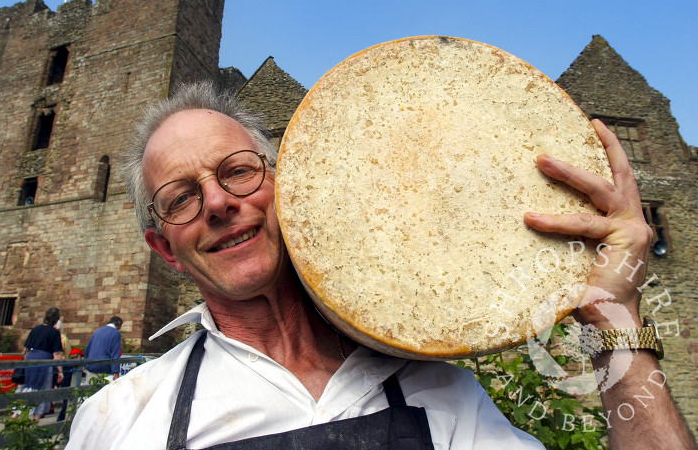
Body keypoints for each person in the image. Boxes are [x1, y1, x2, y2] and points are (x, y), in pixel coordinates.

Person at [67, 82, 696, 449]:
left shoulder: (444, 392)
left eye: (237, 172)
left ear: (286, 188)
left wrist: (614, 313)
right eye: (180, 198)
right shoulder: (121, 420)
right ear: (163, 249)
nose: (218, 203)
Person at [14, 306, 63, 421]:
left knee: (24, 387)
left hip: (29, 360)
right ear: (56, 320)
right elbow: (56, 353)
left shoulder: (35, 329)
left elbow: (26, 349)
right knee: (42, 390)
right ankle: (35, 418)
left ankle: (15, 414)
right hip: (44, 363)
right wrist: (60, 371)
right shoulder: (54, 333)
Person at [83, 316, 123, 382]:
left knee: (90, 390)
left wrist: (87, 364)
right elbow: (115, 353)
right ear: (119, 324)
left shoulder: (97, 331)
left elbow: (87, 349)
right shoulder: (115, 333)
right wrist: (115, 371)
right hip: (105, 368)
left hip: (92, 367)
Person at [57, 347, 85, 422]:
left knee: (66, 402)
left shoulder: (65, 364)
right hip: (70, 386)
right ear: (78, 356)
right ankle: (62, 419)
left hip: (64, 385)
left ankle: (62, 419)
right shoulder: (75, 365)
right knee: (68, 404)